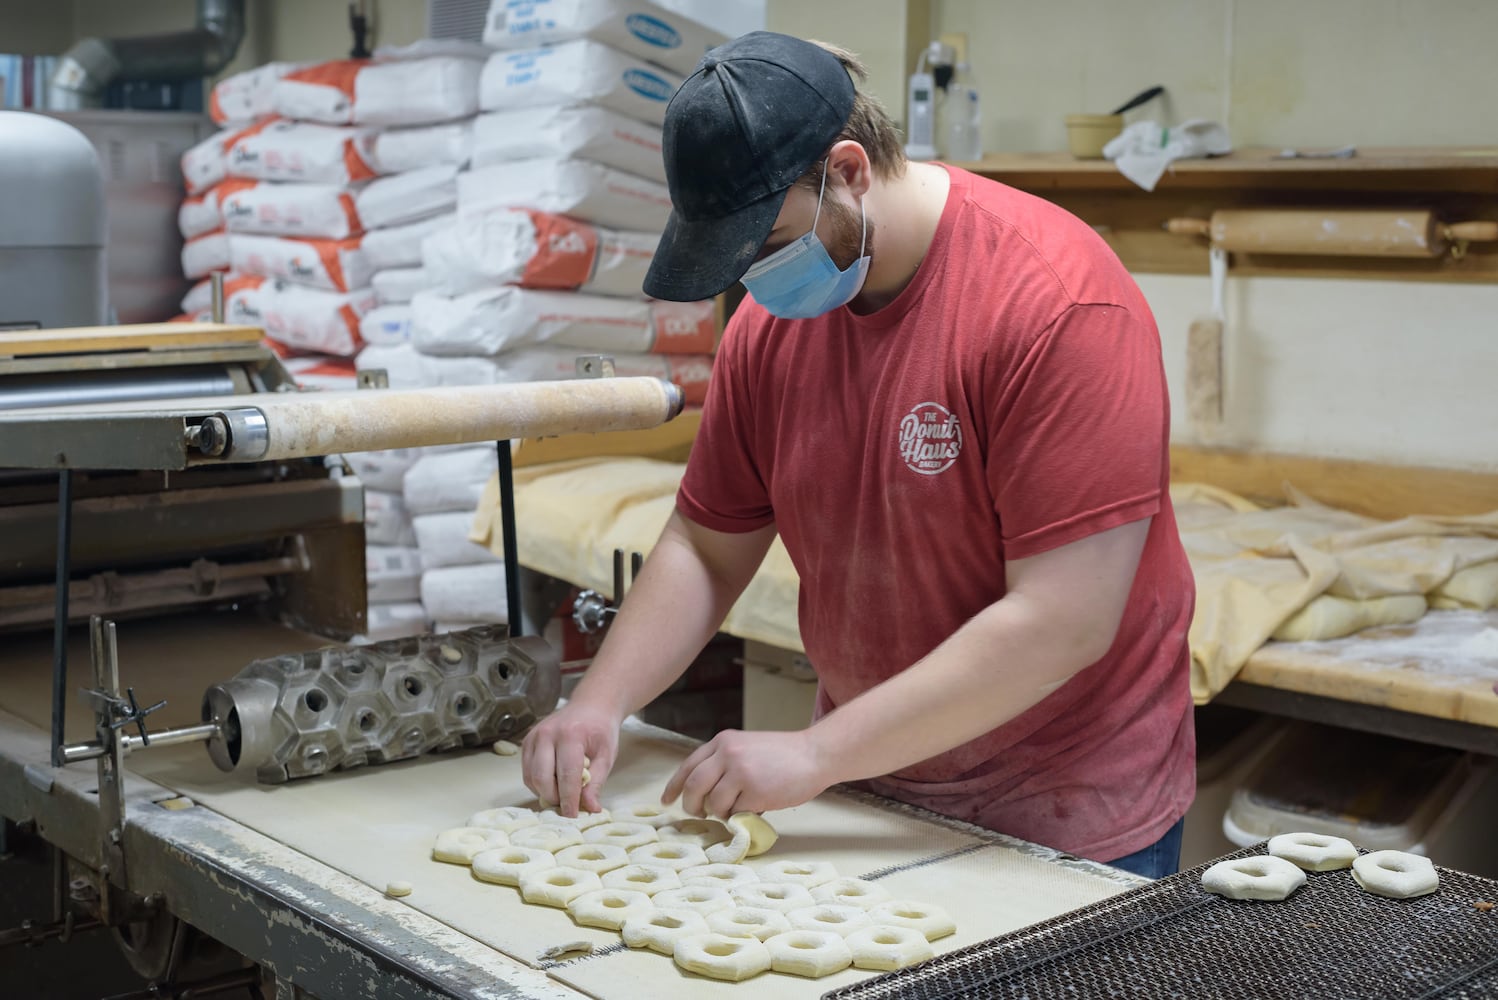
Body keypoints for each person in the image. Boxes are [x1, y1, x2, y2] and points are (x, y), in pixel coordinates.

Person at [522, 31, 1197, 879]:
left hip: (1064, 805)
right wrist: (600, 702)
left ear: (848, 170)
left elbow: (1062, 621)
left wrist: (815, 754)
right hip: (871, 778)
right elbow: (707, 545)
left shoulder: (1056, 306)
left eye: (770, 243)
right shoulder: (770, 330)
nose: (756, 277)